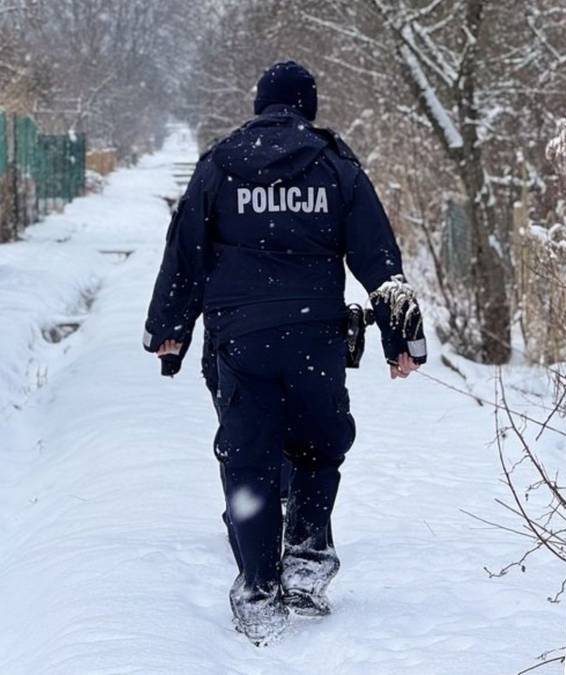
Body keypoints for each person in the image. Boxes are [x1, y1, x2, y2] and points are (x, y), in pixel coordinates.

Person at [143, 60, 427, 645]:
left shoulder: (221, 163)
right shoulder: (336, 166)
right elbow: (379, 258)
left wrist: (169, 329)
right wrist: (401, 338)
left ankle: (258, 589)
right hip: (314, 337)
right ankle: (306, 560)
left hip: (241, 338)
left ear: (259, 105)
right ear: (308, 106)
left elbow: (186, 251)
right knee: (318, 448)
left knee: (247, 457)